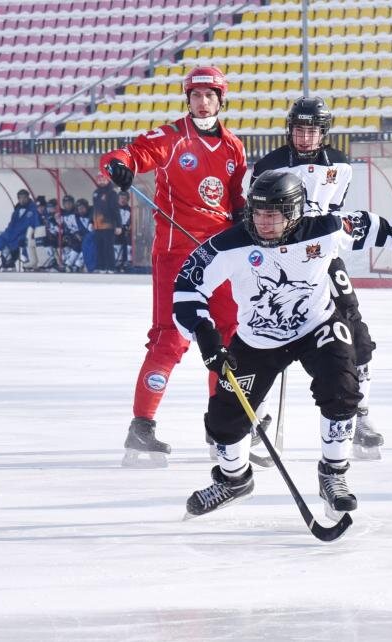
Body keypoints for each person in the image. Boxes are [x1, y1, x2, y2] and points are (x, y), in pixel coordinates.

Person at [173, 170, 392, 519]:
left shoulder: (327, 229)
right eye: (257, 213)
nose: (263, 222)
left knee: (342, 388)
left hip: (316, 326)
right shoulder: (229, 244)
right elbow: (186, 287)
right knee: (225, 418)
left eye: (273, 214)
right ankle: (234, 480)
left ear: (294, 212)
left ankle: (333, 475)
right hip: (257, 340)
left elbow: (382, 227)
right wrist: (204, 334)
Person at [100, 64, 248, 467]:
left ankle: (223, 425)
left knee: (229, 337)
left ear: (221, 99)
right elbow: (130, 154)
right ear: (188, 99)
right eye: (195, 95)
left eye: (209, 95)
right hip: (176, 254)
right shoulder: (169, 137)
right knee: (171, 338)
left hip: (220, 257)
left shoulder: (234, 146)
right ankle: (142, 426)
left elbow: (236, 202)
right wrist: (118, 164)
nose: (202, 102)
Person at [249, 96, 381, 459]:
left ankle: (361, 417)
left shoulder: (340, 164)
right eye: (299, 130)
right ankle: (251, 418)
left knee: (357, 331)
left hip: (324, 258)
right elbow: (253, 214)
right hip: (280, 263)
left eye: (312, 131)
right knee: (266, 335)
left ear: (323, 133)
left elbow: (334, 214)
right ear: (288, 129)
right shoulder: (268, 166)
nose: (305, 138)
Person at [0, 189, 40, 271]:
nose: (22, 200)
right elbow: (11, 224)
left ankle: (21, 263)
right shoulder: (16, 210)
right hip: (13, 232)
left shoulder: (33, 209)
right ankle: (8, 263)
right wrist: (8, 231)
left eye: (24, 197)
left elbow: (35, 224)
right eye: (20, 198)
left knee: (20, 241)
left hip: (25, 233)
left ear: (28, 198)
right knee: (1, 239)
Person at [92, 171, 121, 273]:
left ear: (108, 179)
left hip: (109, 225)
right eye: (99, 179)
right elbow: (94, 209)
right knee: (99, 247)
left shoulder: (112, 193)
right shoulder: (95, 193)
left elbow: (116, 210)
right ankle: (101, 267)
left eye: (103, 179)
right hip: (98, 226)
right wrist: (92, 222)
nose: (101, 181)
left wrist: (119, 225)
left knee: (108, 247)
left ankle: (111, 267)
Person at [115, 190, 132, 272]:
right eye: (121, 198)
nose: (123, 200)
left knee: (129, 241)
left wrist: (129, 228)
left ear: (128, 199)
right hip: (117, 231)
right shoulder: (114, 209)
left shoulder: (131, 210)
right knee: (117, 242)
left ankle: (128, 261)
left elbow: (132, 221)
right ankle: (117, 262)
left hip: (126, 231)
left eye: (125, 198)